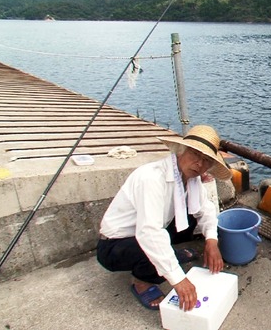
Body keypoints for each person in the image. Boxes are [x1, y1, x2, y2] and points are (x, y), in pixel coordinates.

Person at [96, 125, 232, 311]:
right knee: (157, 249)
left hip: (144, 232)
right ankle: (142, 281)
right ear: (181, 151)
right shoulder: (151, 178)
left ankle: (166, 258)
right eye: (195, 155)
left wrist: (211, 240)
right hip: (114, 246)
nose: (199, 164)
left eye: (207, 160)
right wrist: (178, 280)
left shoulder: (190, 179)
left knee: (191, 217)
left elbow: (205, 209)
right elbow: (149, 232)